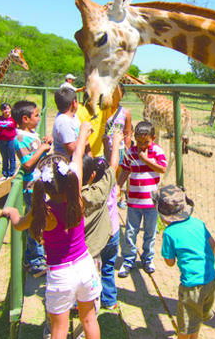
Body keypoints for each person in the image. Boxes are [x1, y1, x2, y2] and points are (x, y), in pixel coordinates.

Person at [1, 122, 101, 339]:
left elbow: (19, 225)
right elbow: (77, 159)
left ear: (44, 186)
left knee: (58, 328)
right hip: (85, 266)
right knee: (89, 318)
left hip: (60, 274)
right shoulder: (77, 199)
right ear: (71, 180)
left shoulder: (43, 212)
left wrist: (12, 213)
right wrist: (83, 132)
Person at [158, 185, 215, 339]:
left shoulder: (169, 233)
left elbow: (170, 262)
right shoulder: (198, 223)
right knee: (195, 320)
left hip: (191, 285)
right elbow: (212, 244)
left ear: (163, 215)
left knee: (184, 327)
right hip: (210, 279)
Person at [117, 121, 167, 278]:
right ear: (134, 138)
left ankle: (147, 259)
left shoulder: (157, 151)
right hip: (134, 201)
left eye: (146, 142)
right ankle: (128, 259)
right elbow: (125, 170)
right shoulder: (130, 152)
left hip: (151, 203)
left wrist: (146, 160)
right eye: (139, 142)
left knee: (150, 232)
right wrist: (118, 186)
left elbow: (162, 168)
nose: (142, 145)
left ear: (154, 138)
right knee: (130, 232)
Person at [81, 131, 123, 310]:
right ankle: (109, 300)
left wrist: (86, 143)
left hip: (91, 241)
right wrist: (114, 143)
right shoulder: (107, 189)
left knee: (88, 272)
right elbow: (113, 166)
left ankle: (83, 301)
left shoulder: (80, 195)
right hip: (111, 234)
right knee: (108, 267)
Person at [12, 100, 53, 277]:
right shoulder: (19, 139)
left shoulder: (31, 134)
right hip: (31, 188)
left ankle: (36, 255)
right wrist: (42, 149)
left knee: (40, 221)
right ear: (25, 119)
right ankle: (35, 260)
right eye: (36, 115)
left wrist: (45, 143)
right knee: (34, 222)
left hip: (40, 186)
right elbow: (27, 163)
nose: (38, 118)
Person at [102, 84, 133, 209]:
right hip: (105, 148)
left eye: (117, 92)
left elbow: (128, 132)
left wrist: (127, 148)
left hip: (119, 148)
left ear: (122, 95)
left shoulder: (125, 112)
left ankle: (122, 196)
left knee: (120, 173)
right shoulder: (102, 110)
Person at [52, 87, 82, 159]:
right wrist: (84, 134)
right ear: (74, 103)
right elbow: (72, 151)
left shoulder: (73, 117)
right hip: (67, 165)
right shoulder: (64, 122)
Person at [0, 102, 17, 180]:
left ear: (10, 109)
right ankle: (4, 173)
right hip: (1, 140)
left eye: (7, 109)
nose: (6, 111)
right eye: (4, 109)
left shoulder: (14, 118)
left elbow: (19, 128)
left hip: (11, 140)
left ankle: (11, 173)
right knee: (4, 157)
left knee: (11, 157)